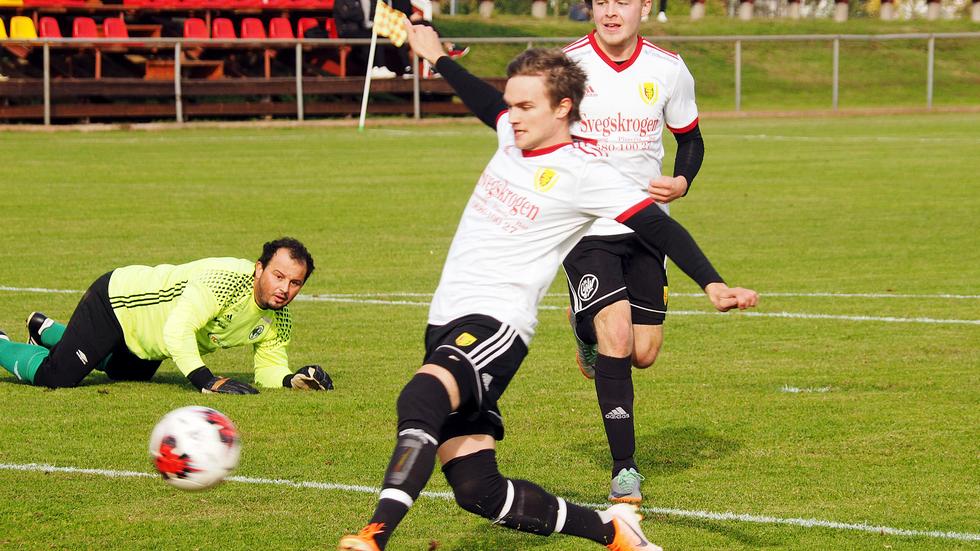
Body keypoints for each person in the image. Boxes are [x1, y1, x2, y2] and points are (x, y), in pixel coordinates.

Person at [338, 25, 757, 551]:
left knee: (421, 395)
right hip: (446, 319)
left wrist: (713, 283)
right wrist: (438, 57)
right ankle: (613, 532)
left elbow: (659, 227)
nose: (512, 116)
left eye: (525, 107)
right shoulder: (512, 138)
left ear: (562, 108)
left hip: (495, 325)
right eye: (511, 104)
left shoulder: (584, 173)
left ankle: (375, 534)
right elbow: (484, 101)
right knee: (478, 490)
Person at [561, 0, 702, 503]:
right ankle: (625, 469)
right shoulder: (567, 65)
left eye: (622, 1)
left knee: (643, 353)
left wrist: (682, 181)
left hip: (646, 227)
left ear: (644, 6)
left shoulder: (668, 69)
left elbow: (690, 140)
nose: (610, 11)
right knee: (616, 335)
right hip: (586, 225)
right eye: (601, 1)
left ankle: (583, 329)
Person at [0, 237, 332, 394]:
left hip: (148, 342)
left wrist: (291, 379)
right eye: (278, 276)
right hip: (118, 302)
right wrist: (205, 380)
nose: (284, 288)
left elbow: (269, 368)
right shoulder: (226, 280)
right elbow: (178, 330)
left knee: (126, 374)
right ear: (259, 268)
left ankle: (46, 331)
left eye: (295, 283)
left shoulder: (279, 318)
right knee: (57, 376)